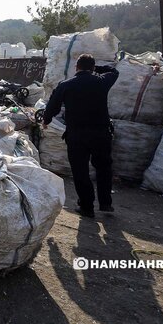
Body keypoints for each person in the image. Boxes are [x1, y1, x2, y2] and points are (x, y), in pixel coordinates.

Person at [42, 54, 119, 218]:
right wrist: (96, 69)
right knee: (104, 168)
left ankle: (87, 206)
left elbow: (52, 106)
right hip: (101, 134)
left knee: (80, 170)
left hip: (77, 135)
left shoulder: (66, 85)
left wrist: (46, 120)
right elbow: (114, 71)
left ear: (76, 67)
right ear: (92, 68)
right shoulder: (102, 82)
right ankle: (105, 203)